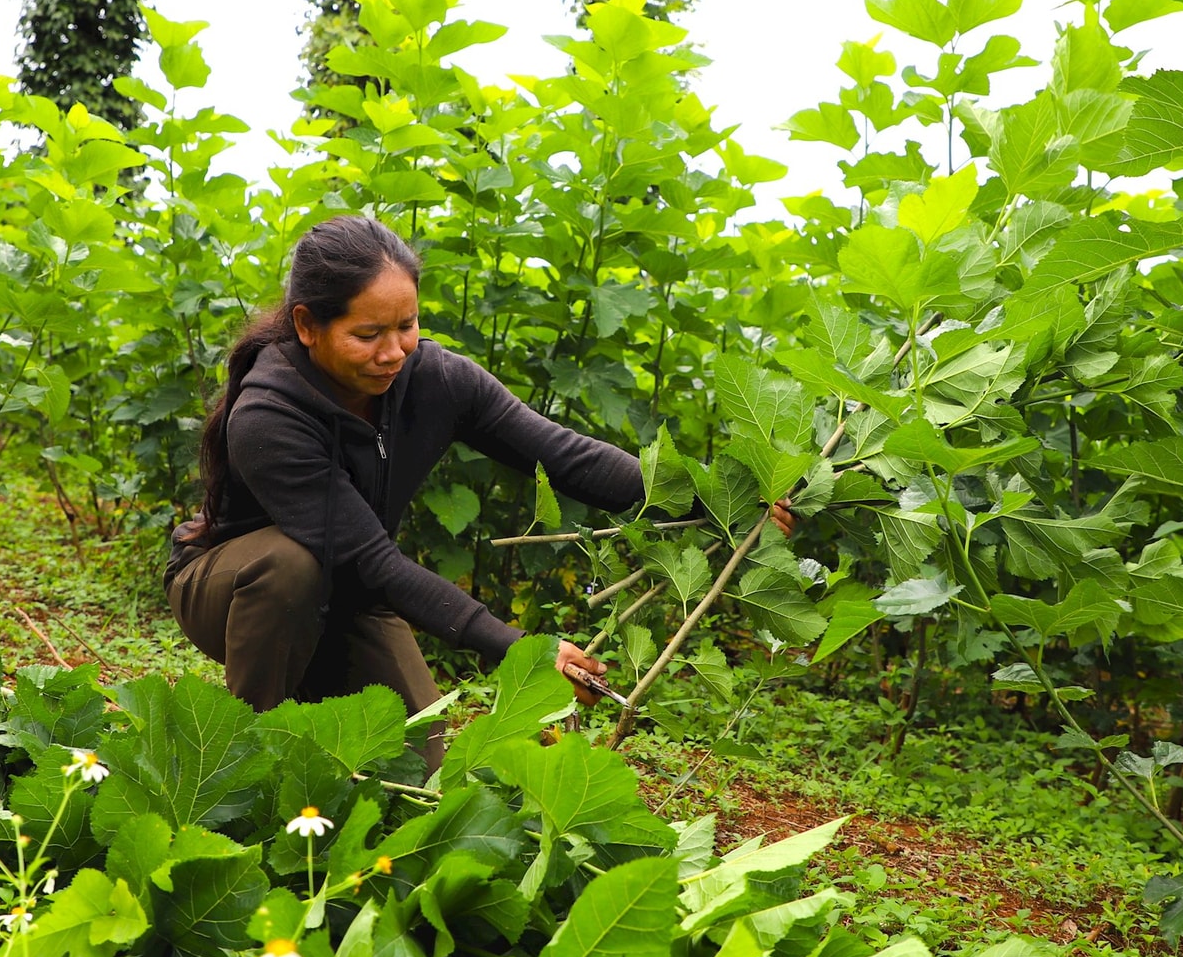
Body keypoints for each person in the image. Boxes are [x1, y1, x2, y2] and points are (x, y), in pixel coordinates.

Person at [164, 215, 790, 770]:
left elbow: (562, 455)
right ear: (308, 326)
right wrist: (518, 649)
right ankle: (235, 758)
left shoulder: (435, 378)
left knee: (418, 766)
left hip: (350, 595)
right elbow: (373, 561)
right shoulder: (269, 415)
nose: (393, 353)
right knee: (293, 568)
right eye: (367, 335)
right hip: (237, 588)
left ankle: (312, 715)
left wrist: (719, 501)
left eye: (406, 325)